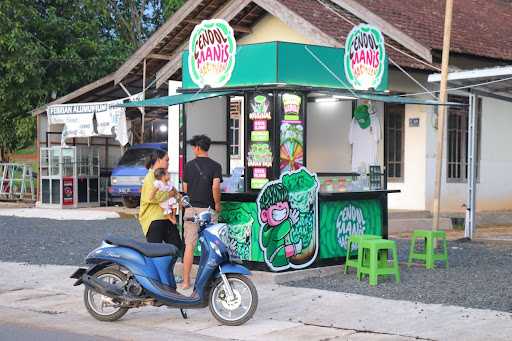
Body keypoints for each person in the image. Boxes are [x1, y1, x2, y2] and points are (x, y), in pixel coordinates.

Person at [182, 135, 223, 289]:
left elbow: (185, 189)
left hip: (191, 210)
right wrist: (217, 203)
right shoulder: (216, 166)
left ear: (197, 148)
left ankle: (186, 282)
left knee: (189, 246)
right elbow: (215, 187)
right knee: (211, 246)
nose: (193, 149)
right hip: (208, 210)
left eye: (194, 147)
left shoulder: (188, 166)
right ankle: (207, 282)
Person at [138, 150, 183, 251]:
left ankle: (166, 266)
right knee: (156, 251)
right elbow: (152, 197)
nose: (168, 163)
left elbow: (173, 190)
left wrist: (179, 198)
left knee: (176, 247)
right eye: (166, 160)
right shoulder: (150, 176)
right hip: (154, 219)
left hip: (166, 218)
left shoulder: (162, 176)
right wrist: (170, 194)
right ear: (158, 160)